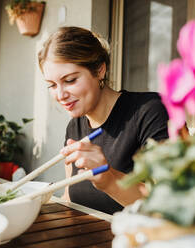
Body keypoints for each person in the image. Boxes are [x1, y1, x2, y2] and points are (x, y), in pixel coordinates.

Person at [38, 26, 168, 214]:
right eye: (51, 85)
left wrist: (108, 179)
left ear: (100, 70)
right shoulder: (74, 127)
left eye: (70, 80)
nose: (60, 95)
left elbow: (171, 203)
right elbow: (70, 196)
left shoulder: (149, 111)